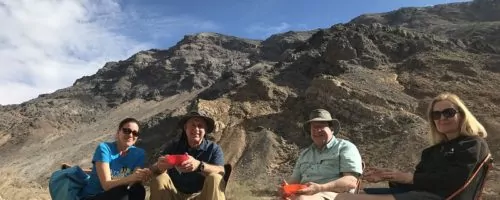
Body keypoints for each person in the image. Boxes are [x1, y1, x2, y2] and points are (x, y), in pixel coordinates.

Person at [326, 92, 490, 200]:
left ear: (462, 115)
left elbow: (456, 180)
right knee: (344, 197)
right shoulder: (431, 152)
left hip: (442, 197)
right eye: (436, 114)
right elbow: (419, 182)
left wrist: (407, 177)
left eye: (449, 112)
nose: (442, 118)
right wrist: (391, 177)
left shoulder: (473, 144)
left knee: (347, 199)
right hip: (419, 195)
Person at [281, 109, 363, 200]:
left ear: (331, 129)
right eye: (314, 128)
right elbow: (293, 182)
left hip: (335, 195)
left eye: (321, 126)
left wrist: (320, 188)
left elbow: (350, 181)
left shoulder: (345, 147)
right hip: (303, 195)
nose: (317, 130)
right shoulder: (305, 154)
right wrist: (285, 188)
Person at [149, 110, 226, 200]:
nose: (196, 129)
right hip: (175, 194)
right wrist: (159, 166)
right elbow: (153, 169)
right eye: (193, 125)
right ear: (185, 128)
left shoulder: (213, 148)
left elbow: (221, 171)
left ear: (205, 130)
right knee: (159, 178)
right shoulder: (174, 146)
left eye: (200, 126)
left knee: (215, 178)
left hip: (201, 195)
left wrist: (199, 165)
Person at [80, 117, 151, 200]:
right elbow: (106, 185)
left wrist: (141, 175)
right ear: (118, 132)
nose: (131, 135)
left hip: (117, 194)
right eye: (126, 131)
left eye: (135, 133)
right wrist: (132, 177)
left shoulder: (139, 153)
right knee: (121, 193)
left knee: (138, 189)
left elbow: (133, 180)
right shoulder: (104, 149)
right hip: (94, 196)